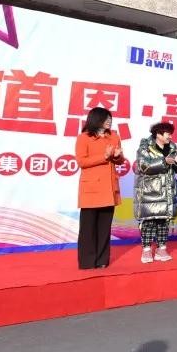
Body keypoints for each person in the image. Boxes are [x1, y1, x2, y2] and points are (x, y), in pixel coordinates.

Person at [74, 107, 125, 270]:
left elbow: (120, 160)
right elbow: (82, 161)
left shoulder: (114, 137)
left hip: (109, 187)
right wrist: (104, 156)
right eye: (105, 118)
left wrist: (117, 156)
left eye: (110, 118)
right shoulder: (84, 138)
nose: (109, 121)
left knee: (104, 228)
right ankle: (87, 262)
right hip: (91, 189)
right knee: (88, 228)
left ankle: (102, 259)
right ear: (95, 119)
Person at [134, 122, 177, 263]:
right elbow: (143, 166)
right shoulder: (145, 147)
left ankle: (161, 249)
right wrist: (165, 161)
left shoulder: (172, 148)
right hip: (150, 192)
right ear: (158, 134)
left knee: (164, 221)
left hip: (167, 192)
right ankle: (146, 250)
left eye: (171, 134)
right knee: (149, 222)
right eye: (168, 134)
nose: (170, 137)